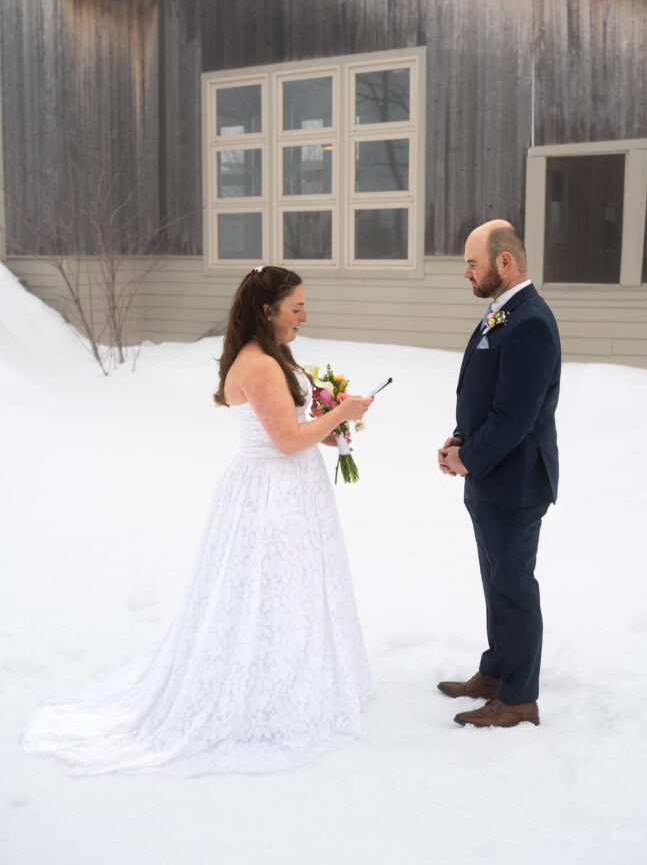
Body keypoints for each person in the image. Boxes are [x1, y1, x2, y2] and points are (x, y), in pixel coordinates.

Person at [22, 266, 374, 774]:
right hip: (270, 495)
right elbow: (286, 442)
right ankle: (263, 698)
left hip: (291, 490)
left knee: (290, 590)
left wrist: (333, 421)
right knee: (265, 592)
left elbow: (296, 428)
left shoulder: (273, 356)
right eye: (295, 306)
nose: (304, 314)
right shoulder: (257, 365)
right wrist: (339, 416)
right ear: (266, 311)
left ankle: (293, 678)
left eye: (303, 304)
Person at [437, 220, 560, 728]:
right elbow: (488, 397)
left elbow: (516, 417)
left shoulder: (529, 321)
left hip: (515, 483)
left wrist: (469, 457)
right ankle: (496, 673)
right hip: (490, 476)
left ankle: (519, 698)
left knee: (513, 586)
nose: (466, 273)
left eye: (473, 264)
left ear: (504, 263)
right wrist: (460, 441)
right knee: (496, 584)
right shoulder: (502, 313)